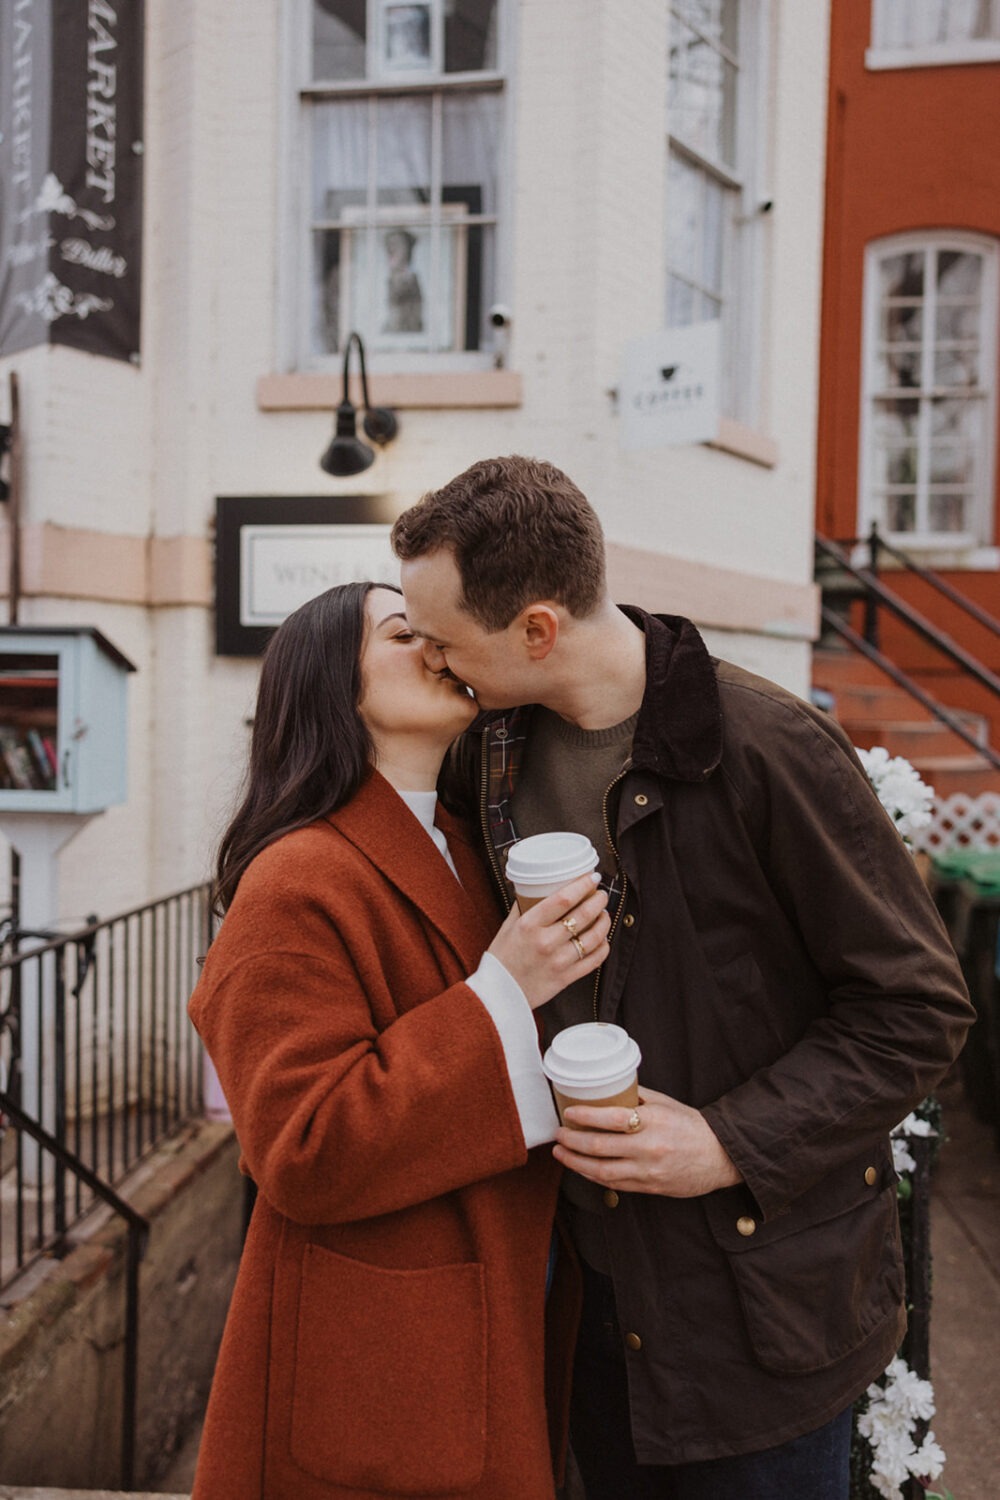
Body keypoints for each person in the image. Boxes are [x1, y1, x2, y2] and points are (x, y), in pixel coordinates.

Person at [390, 456, 975, 1500]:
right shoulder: (492, 750)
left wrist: (725, 1142)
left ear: (535, 630)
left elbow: (916, 1010)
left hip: (760, 1324)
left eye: (444, 641)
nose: (430, 661)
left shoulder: (771, 747)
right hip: (591, 1304)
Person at [188, 580, 611, 1500]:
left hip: (490, 1299)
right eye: (401, 632)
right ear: (332, 689)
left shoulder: (464, 842)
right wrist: (507, 987)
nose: (436, 646)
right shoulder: (294, 877)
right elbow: (304, 1144)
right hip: (383, 1354)